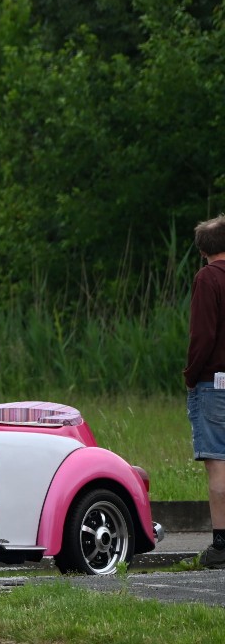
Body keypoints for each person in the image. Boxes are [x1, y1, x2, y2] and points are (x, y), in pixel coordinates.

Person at [184, 214, 225, 569]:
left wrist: (191, 375)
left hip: (215, 385)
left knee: (218, 466)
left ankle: (220, 545)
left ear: (202, 251)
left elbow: (203, 336)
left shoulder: (207, 279)